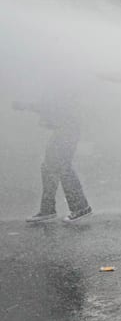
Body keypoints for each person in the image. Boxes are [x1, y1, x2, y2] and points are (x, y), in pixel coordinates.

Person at [12, 90, 92, 222]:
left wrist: (25, 105)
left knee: (63, 166)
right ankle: (48, 209)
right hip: (63, 129)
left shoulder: (60, 86)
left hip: (67, 130)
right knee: (49, 167)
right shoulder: (58, 85)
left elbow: (51, 105)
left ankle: (80, 207)